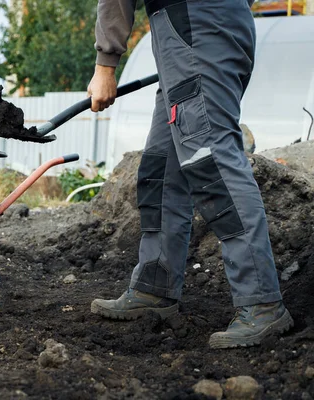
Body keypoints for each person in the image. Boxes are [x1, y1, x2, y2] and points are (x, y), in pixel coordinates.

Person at [86, 0, 293, 348]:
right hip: (188, 28)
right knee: (161, 166)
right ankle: (155, 286)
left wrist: (105, 62)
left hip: (194, 23)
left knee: (211, 161)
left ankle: (261, 302)